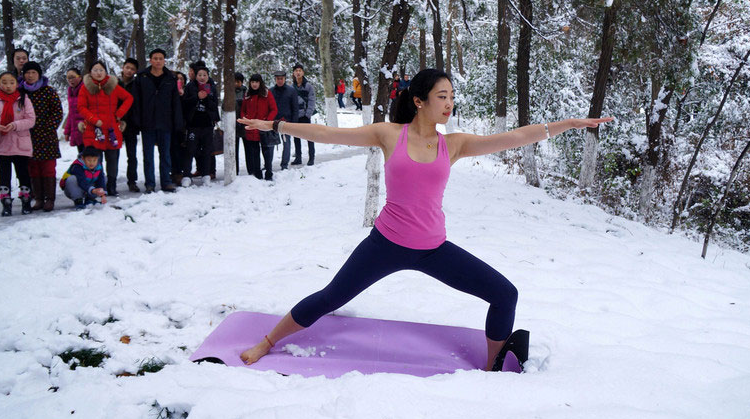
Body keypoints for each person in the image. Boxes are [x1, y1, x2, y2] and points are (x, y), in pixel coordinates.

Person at [237, 68, 614, 370]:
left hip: (433, 249)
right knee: (330, 296)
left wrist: (569, 124)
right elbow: (328, 132)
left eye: (452, 96)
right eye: (442, 96)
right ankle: (265, 343)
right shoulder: (389, 134)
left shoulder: (455, 143)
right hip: (384, 245)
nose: (449, 103)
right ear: (419, 101)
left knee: (505, 294)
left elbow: (514, 136)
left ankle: (490, 368)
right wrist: (275, 126)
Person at [131, 48, 183, 193]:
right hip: (147, 121)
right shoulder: (142, 77)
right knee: (148, 155)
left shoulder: (170, 78)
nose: (158, 61)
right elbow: (136, 101)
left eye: (161, 58)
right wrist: (138, 121)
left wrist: (177, 122)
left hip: (166, 122)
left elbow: (175, 102)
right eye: (155, 58)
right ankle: (150, 183)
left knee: (165, 154)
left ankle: (166, 182)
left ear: (164, 60)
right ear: (150, 60)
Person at [78, 61, 134, 197]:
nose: (98, 73)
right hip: (93, 129)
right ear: (90, 72)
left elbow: (128, 98)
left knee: (113, 158)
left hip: (111, 129)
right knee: (95, 159)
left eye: (101, 70)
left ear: (105, 72)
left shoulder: (113, 86)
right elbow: (81, 107)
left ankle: (112, 185)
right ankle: (98, 186)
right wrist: (93, 119)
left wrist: (119, 113)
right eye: (95, 70)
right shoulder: (85, 88)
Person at [0, 72, 35, 216]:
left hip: (20, 144)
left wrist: (15, 125)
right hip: (1, 144)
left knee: (23, 174)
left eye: (11, 82)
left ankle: (26, 201)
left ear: (16, 84)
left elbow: (30, 120)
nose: (8, 86)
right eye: (4, 82)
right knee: (4, 175)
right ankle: (6, 203)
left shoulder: (24, 100)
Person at [22, 61, 63, 211]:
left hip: (47, 136)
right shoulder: (21, 92)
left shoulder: (48, 91)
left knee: (48, 168)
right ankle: (38, 198)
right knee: (33, 168)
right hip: (27, 136)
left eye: (33, 72)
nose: (30, 75)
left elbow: (58, 112)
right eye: (27, 73)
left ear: (39, 74)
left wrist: (48, 127)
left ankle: (49, 199)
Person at [180, 66, 219, 187]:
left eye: (205, 75)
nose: (202, 77)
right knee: (190, 150)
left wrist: (206, 98)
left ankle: (206, 175)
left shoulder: (212, 88)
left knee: (207, 151)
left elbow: (214, 106)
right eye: (200, 75)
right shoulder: (190, 87)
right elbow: (185, 104)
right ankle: (186, 175)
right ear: (196, 76)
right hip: (193, 125)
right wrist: (197, 97)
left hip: (207, 125)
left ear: (208, 76)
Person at [240, 73, 278, 180]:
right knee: (254, 152)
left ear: (260, 83)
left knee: (266, 152)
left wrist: (266, 121)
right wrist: (245, 119)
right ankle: (257, 174)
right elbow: (243, 110)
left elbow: (274, 109)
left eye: (256, 82)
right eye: (252, 82)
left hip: (263, 127)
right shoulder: (247, 94)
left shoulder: (266, 93)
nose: (254, 84)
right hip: (252, 128)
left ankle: (269, 172)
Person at [59, 145, 107, 209]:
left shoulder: (99, 166)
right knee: (72, 179)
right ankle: (78, 200)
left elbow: (101, 180)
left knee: (104, 178)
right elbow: (81, 181)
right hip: (73, 190)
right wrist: (93, 190)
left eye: (94, 160)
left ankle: (90, 199)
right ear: (83, 158)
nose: (92, 163)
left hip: (88, 189)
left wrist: (103, 194)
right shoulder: (77, 166)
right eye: (89, 160)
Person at [118, 58, 140, 192]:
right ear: (123, 67)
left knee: (132, 155)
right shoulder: (114, 83)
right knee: (113, 155)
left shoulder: (136, 84)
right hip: (116, 123)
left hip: (131, 124)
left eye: (132, 69)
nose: (129, 71)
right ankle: (111, 180)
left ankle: (132, 181)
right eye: (127, 67)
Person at [270, 70, 298, 170]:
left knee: (287, 144)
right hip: (273, 122)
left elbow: (295, 108)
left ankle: (284, 165)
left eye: (281, 79)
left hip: (287, 122)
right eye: (278, 79)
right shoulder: (271, 91)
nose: (280, 81)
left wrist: (294, 123)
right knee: (271, 144)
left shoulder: (291, 91)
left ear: (285, 79)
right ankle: (268, 165)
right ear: (275, 79)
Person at [291, 63, 315, 166]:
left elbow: (312, 100)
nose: (298, 72)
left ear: (303, 72)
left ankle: (311, 157)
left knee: (309, 137)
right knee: (296, 137)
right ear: (293, 73)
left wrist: (308, 114)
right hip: (296, 115)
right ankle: (298, 158)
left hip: (305, 115)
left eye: (300, 70)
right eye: (296, 71)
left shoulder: (308, 86)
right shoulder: (292, 87)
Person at [63, 67, 85, 154]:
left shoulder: (85, 89)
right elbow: (71, 114)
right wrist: (67, 132)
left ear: (80, 77)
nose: (70, 80)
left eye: (73, 77)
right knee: (82, 159)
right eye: (68, 78)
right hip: (77, 132)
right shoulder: (71, 91)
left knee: (92, 160)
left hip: (86, 131)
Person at [234, 71, 246, 174]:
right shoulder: (229, 92)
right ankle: (235, 171)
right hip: (233, 124)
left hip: (245, 123)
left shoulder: (246, 92)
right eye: (235, 81)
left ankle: (251, 170)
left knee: (248, 148)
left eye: (238, 82)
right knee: (234, 150)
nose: (236, 84)